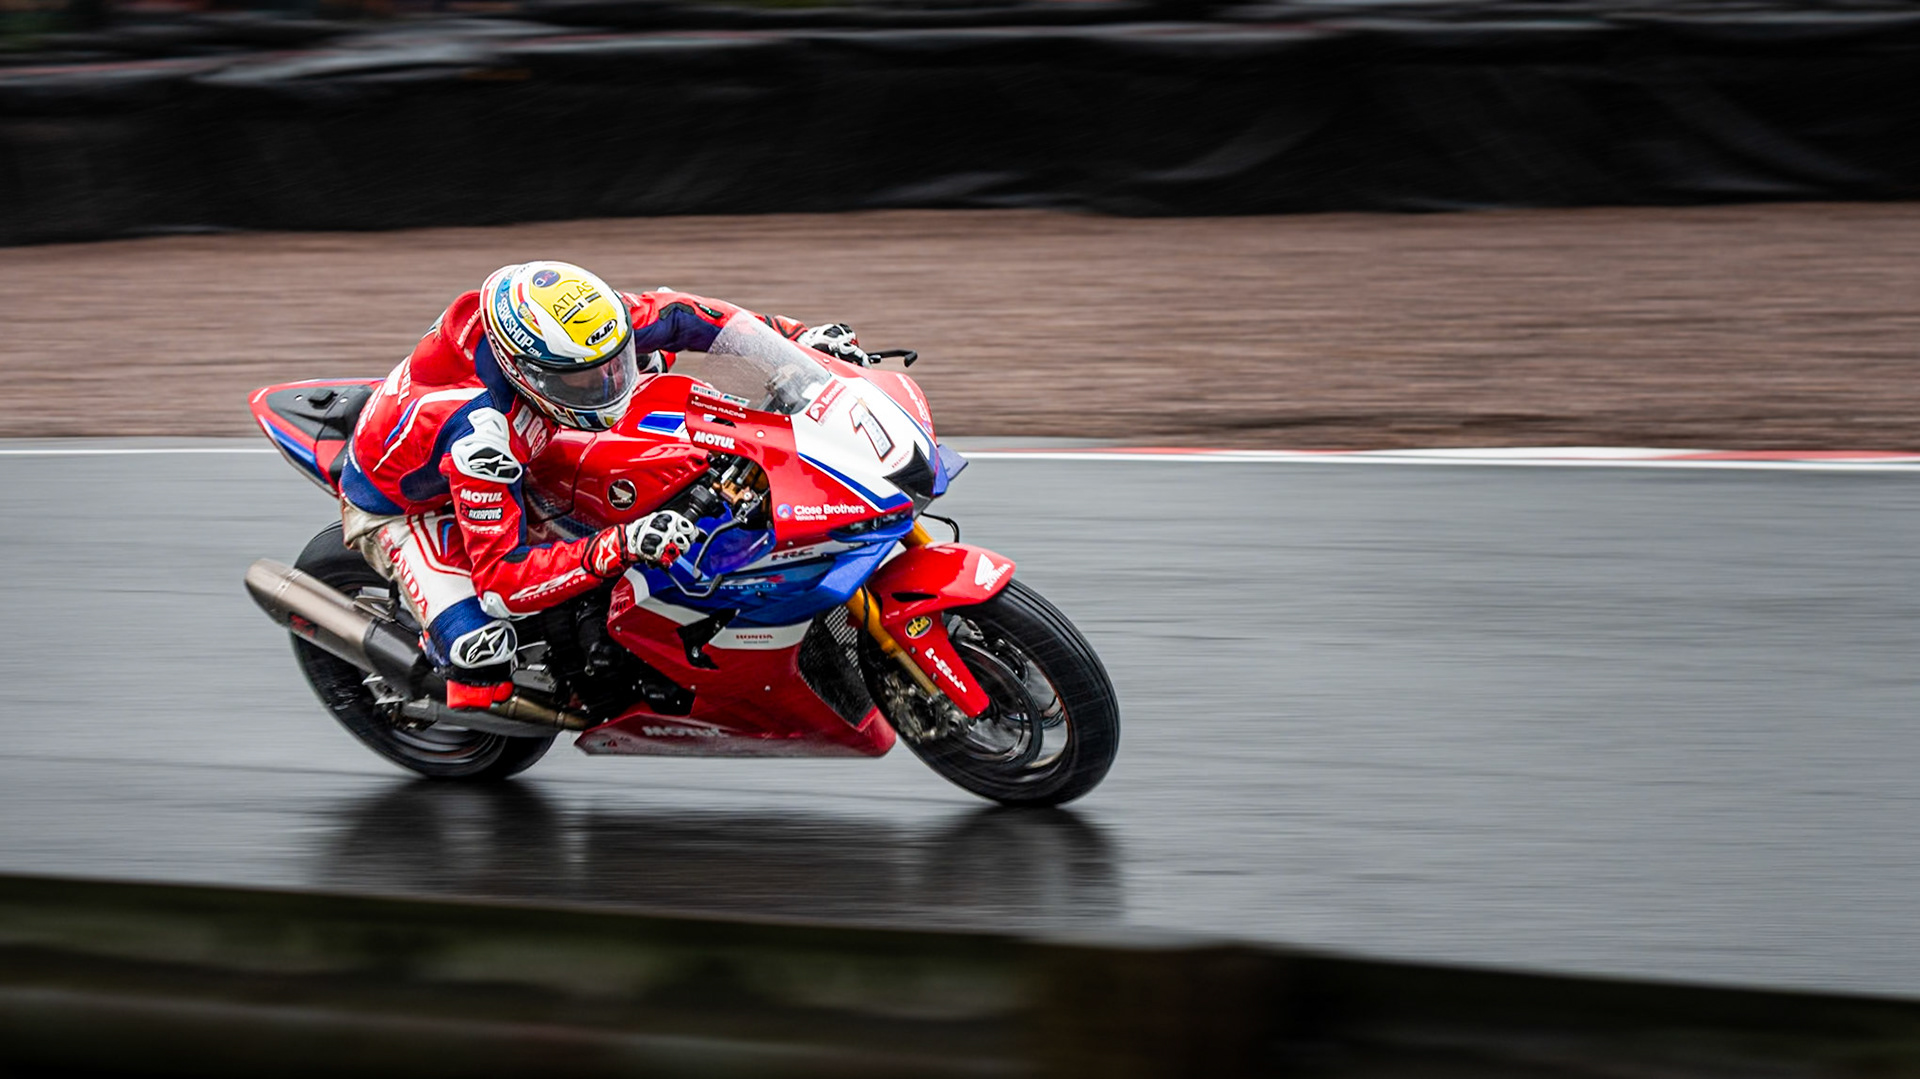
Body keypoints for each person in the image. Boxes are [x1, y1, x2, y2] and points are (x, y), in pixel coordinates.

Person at [337, 260, 869, 709]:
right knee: (481, 654)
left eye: (614, 365)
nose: (610, 381)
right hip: (413, 507)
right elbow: (505, 582)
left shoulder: (577, 327)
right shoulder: (481, 440)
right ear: (528, 372)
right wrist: (624, 542)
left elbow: (685, 315)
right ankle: (448, 662)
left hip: (533, 438)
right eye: (587, 379)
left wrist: (796, 340)